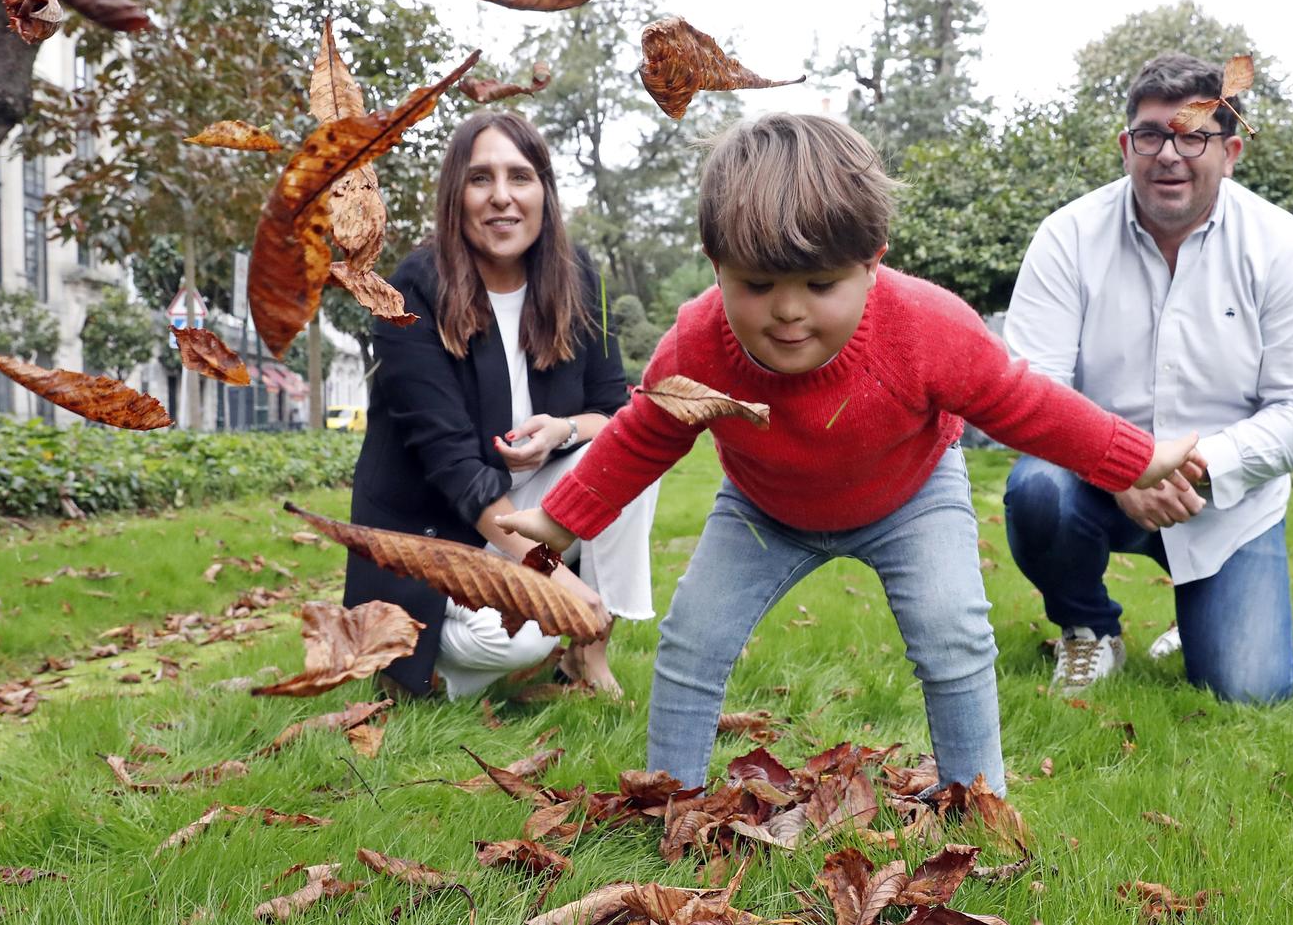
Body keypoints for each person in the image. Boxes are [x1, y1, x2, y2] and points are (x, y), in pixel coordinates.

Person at [494, 113, 1204, 793]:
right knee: (691, 640)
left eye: (821, 284)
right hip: (764, 507)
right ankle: (672, 794)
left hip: (910, 496)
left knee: (952, 634)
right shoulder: (699, 343)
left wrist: (1133, 459)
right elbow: (645, 431)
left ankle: (975, 794)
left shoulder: (927, 327)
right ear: (716, 266)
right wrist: (561, 519)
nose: (789, 310)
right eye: (758, 285)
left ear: (872, 262)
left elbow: (1025, 403)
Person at [1003, 51, 1293, 700]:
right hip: (1092, 483)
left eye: (1194, 135)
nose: (1170, 153)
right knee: (1037, 491)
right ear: (1125, 144)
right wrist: (1122, 464)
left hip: (1223, 499)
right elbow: (1029, 391)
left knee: (1248, 689)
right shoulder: (1067, 237)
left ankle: (1200, 621)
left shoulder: (1284, 247)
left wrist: (1187, 465)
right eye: (1152, 134)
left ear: (1231, 149)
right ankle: (1089, 629)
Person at [344, 110, 660, 700]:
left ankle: (587, 653)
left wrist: (563, 430)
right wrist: (556, 578)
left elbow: (611, 411)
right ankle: (415, 663)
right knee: (522, 638)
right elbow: (455, 471)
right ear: (455, 196)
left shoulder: (575, 276)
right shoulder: (411, 291)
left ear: (544, 190)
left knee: (633, 463)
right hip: (437, 534)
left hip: (519, 510)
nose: (501, 198)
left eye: (519, 177)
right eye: (480, 178)